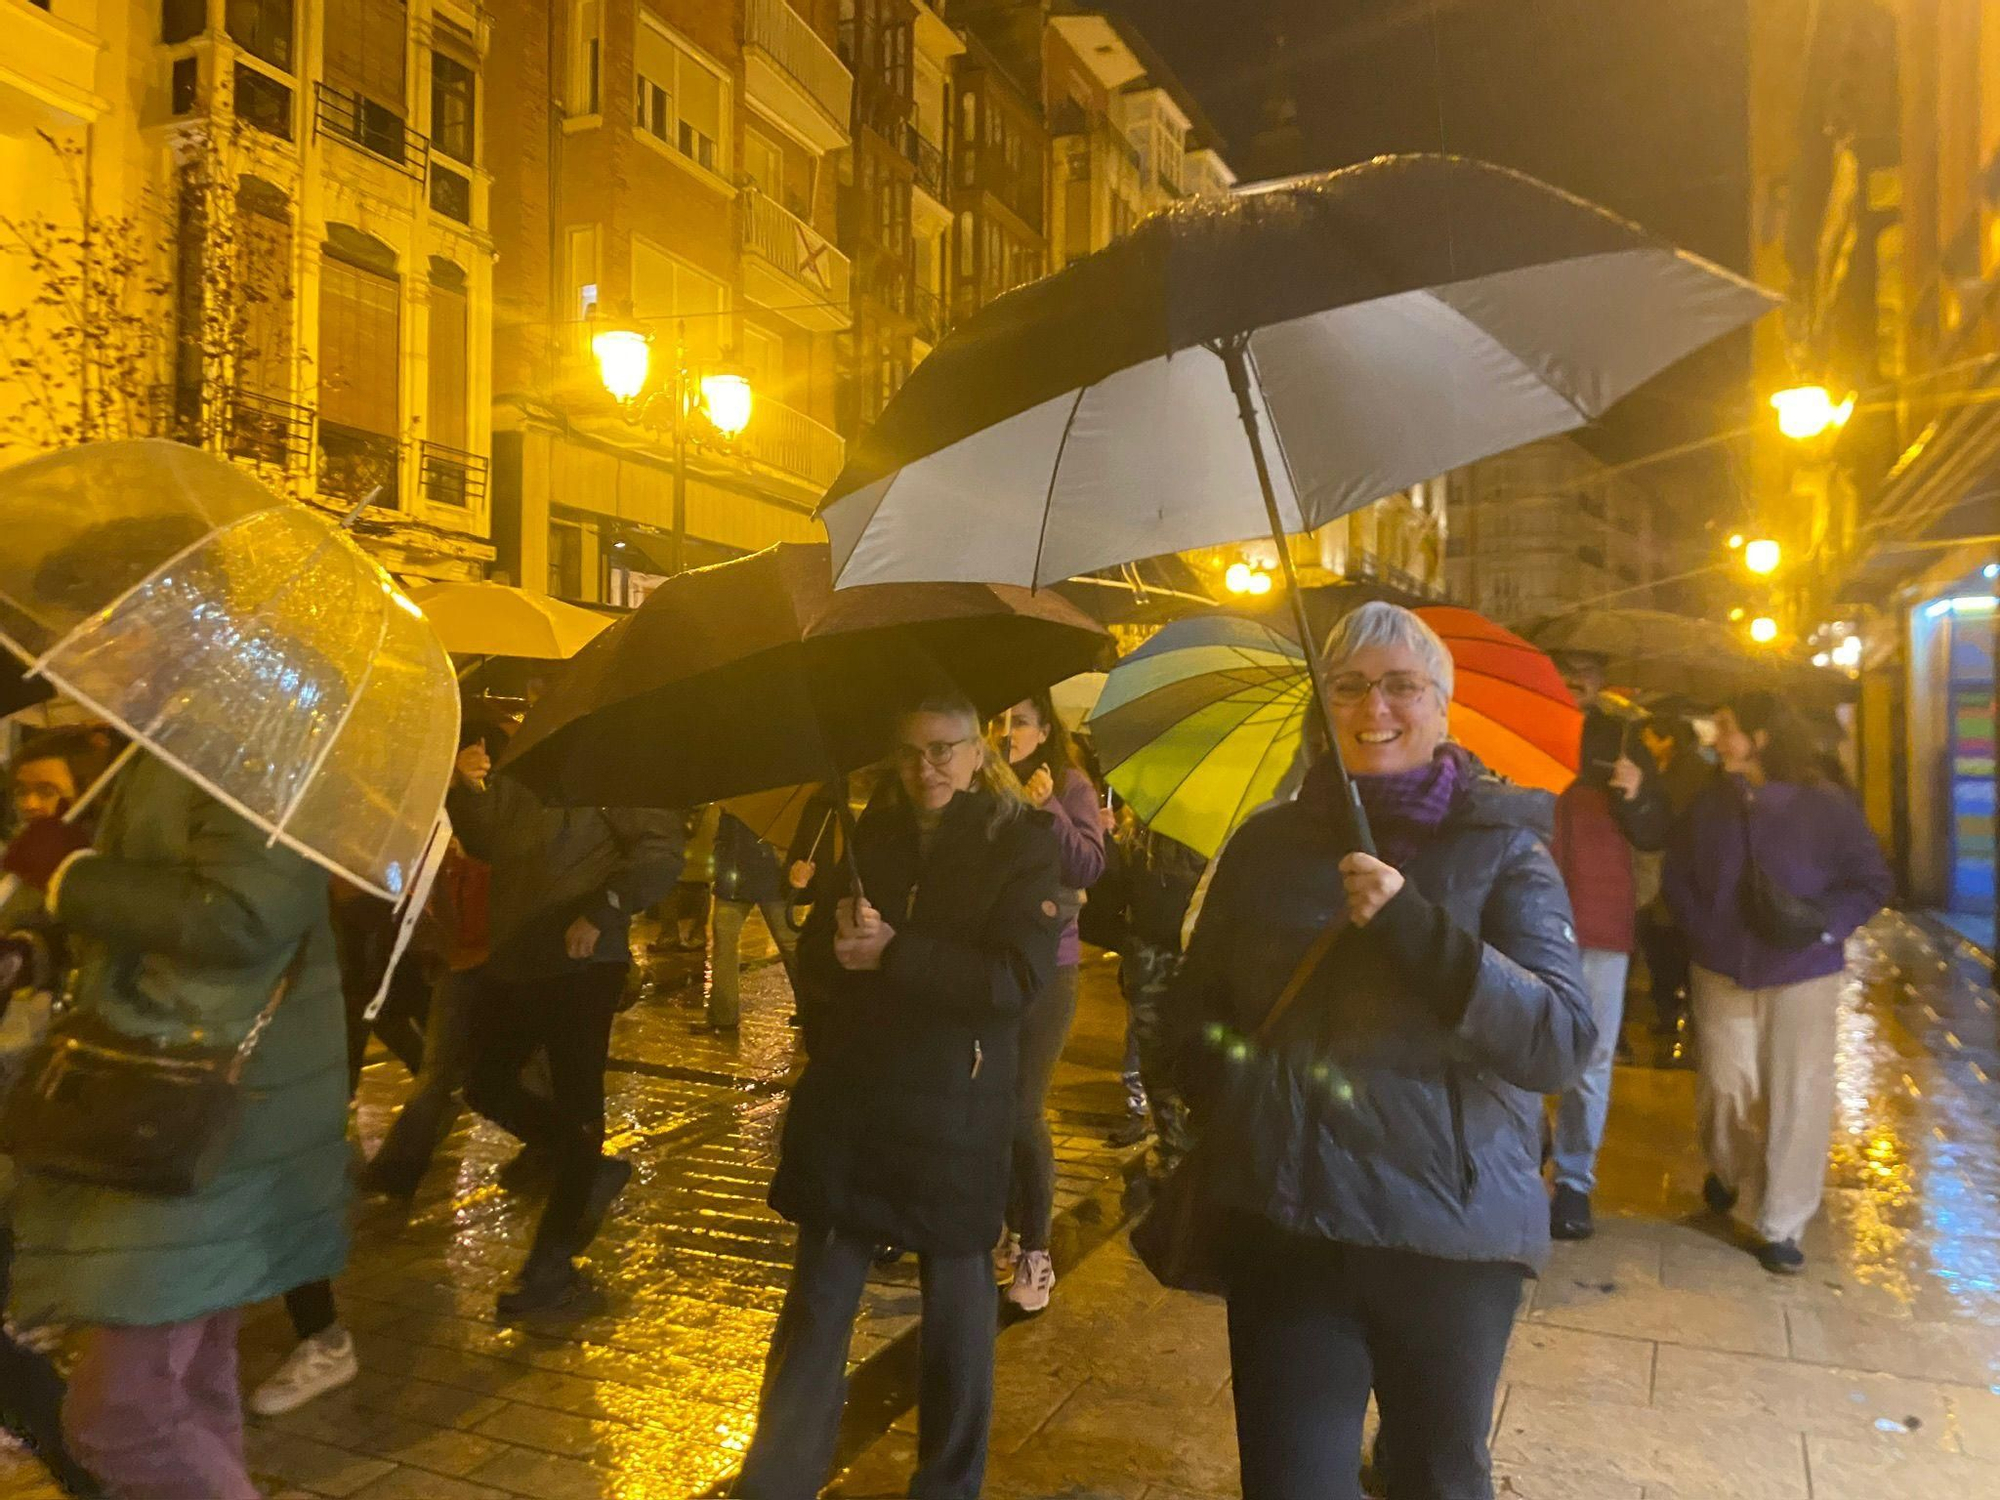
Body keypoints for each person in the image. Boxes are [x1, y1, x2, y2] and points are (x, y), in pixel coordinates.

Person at [1164, 602, 1594, 1500]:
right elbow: (1192, 1015)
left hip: (1449, 1236)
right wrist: (1237, 1101)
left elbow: (1557, 1041)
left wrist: (1413, 928)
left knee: (1436, 1478)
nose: (1375, 709)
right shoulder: (1267, 846)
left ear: (1441, 707)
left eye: (1401, 686)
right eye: (1350, 687)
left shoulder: (1504, 848)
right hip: (1290, 1228)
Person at [734, 692, 1061, 1500]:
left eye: (946, 748)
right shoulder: (867, 833)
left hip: (957, 1106)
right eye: (913, 751)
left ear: (979, 750)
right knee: (817, 1307)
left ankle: (948, 1485)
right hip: (857, 1103)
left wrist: (895, 954)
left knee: (956, 1319)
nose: (930, 767)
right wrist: (832, 949)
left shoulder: (1023, 842)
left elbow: (1015, 981)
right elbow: (818, 961)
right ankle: (776, 1481)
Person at [4, 752, 351, 1500]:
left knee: (119, 1414)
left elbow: (242, 914)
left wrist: (74, 876)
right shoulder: (152, 746)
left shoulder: (251, 755)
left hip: (205, 1108)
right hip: (184, 1102)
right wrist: (37, 922)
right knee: (193, 1381)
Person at [447, 740, 684, 1318]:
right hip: (518, 955)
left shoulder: (622, 770)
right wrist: (468, 792)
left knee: (581, 1106)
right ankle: (586, 1163)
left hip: (583, 964)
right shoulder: (526, 771)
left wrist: (604, 909)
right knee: (485, 1083)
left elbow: (660, 854)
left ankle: (548, 1268)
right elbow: (488, 843)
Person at [1663, 691, 1891, 1275]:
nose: (1717, 738)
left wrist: (1824, 928)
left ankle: (1782, 1224)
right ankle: (1728, 1168)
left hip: (1802, 973)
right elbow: (1677, 870)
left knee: (1799, 1095)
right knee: (1724, 1084)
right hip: (1721, 966)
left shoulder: (1826, 805)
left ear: (1761, 737)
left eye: (1726, 725)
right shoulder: (1709, 800)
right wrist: (1698, 926)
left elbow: (1869, 881)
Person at [992, 690, 1106, 1314]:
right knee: (987, 1105)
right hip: (987, 963)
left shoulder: (1068, 783)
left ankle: (1035, 1247)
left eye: (1022, 721)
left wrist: (1049, 807)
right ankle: (1003, 1225)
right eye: (1001, 721)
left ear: (1044, 730)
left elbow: (1088, 865)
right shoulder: (980, 785)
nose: (1009, 732)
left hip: (1049, 966)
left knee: (1023, 1109)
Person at [1546, 709, 1668, 1240]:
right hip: (1530, 916)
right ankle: (1521, 1161)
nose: (1581, 680)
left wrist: (1637, 794)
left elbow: (1656, 832)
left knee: (1591, 1059)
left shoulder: (1623, 743)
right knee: (1512, 1048)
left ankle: (1573, 1182)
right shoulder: (1529, 729)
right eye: (1571, 670)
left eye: (1590, 671)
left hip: (1601, 919)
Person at [1112, 817, 1206, 1170]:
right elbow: (1119, 890)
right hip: (1149, 953)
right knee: (1154, 1052)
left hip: (1190, 955)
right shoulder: (1141, 835)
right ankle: (1173, 1145)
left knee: (1190, 1049)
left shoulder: (1213, 834)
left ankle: (1187, 1143)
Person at [1635, 714, 1712, 1034]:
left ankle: (1676, 1022)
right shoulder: (1668, 771)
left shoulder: (1691, 775)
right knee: (1664, 953)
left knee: (1674, 955)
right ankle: (1672, 1019)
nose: (1644, 745)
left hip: (1680, 881)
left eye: (1649, 738)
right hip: (1667, 883)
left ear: (1668, 741)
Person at [704, 811, 802, 1033]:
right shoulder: (732, 796)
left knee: (790, 945)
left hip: (771, 878)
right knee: (724, 942)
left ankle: (811, 1008)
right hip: (733, 877)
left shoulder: (774, 796)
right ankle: (723, 1015)